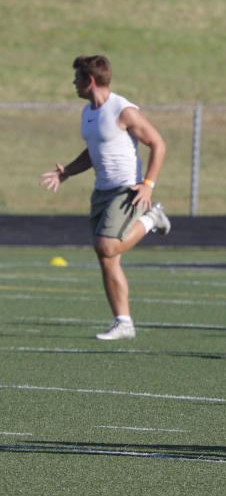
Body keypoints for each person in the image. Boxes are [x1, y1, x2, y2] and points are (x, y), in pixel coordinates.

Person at [40, 55, 171, 340]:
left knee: (107, 246)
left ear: (89, 81)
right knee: (107, 258)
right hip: (101, 191)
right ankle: (123, 322)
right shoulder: (88, 112)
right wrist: (67, 173)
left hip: (127, 188)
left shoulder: (123, 110)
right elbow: (93, 151)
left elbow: (157, 144)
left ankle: (152, 218)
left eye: (76, 79)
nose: (73, 83)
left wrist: (148, 184)